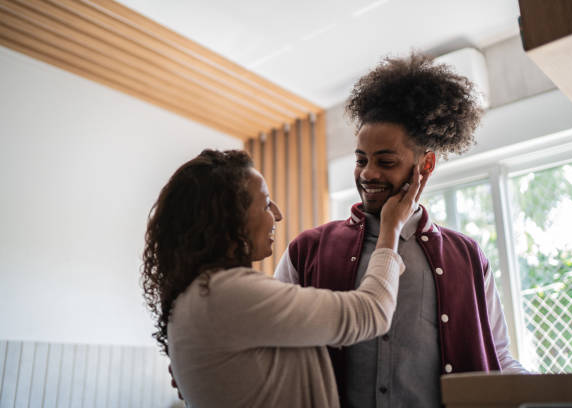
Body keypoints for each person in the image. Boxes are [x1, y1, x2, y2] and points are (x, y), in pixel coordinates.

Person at [274, 54, 527, 408]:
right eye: (361, 159)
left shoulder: (468, 257)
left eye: (386, 161)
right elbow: (272, 351)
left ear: (425, 165)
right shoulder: (307, 250)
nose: (367, 174)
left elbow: (498, 355)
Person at [142, 149, 427, 408]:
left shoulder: (197, 295)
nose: (277, 215)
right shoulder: (229, 294)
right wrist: (391, 228)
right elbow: (371, 312)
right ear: (229, 218)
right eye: (266, 204)